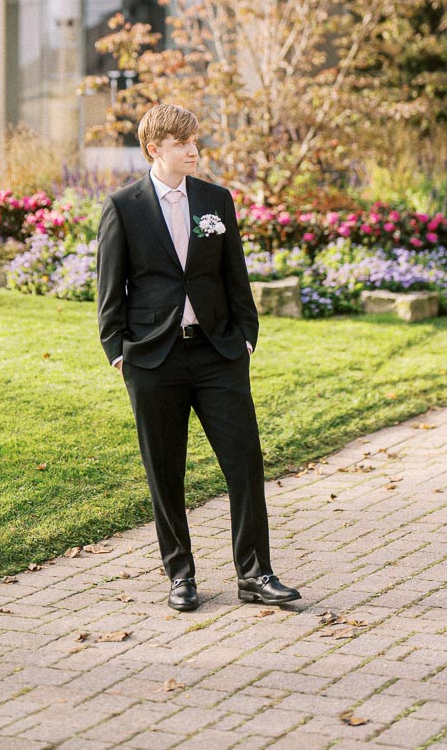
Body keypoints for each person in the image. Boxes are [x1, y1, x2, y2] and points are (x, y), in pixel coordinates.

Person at [96, 102, 301, 612]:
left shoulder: (216, 200)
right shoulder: (124, 206)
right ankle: (180, 575)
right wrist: (119, 353)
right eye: (182, 144)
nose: (193, 150)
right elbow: (109, 289)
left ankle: (255, 574)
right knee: (165, 471)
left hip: (217, 354)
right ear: (154, 149)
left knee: (245, 463)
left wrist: (245, 337)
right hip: (153, 359)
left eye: (194, 142)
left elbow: (235, 275)